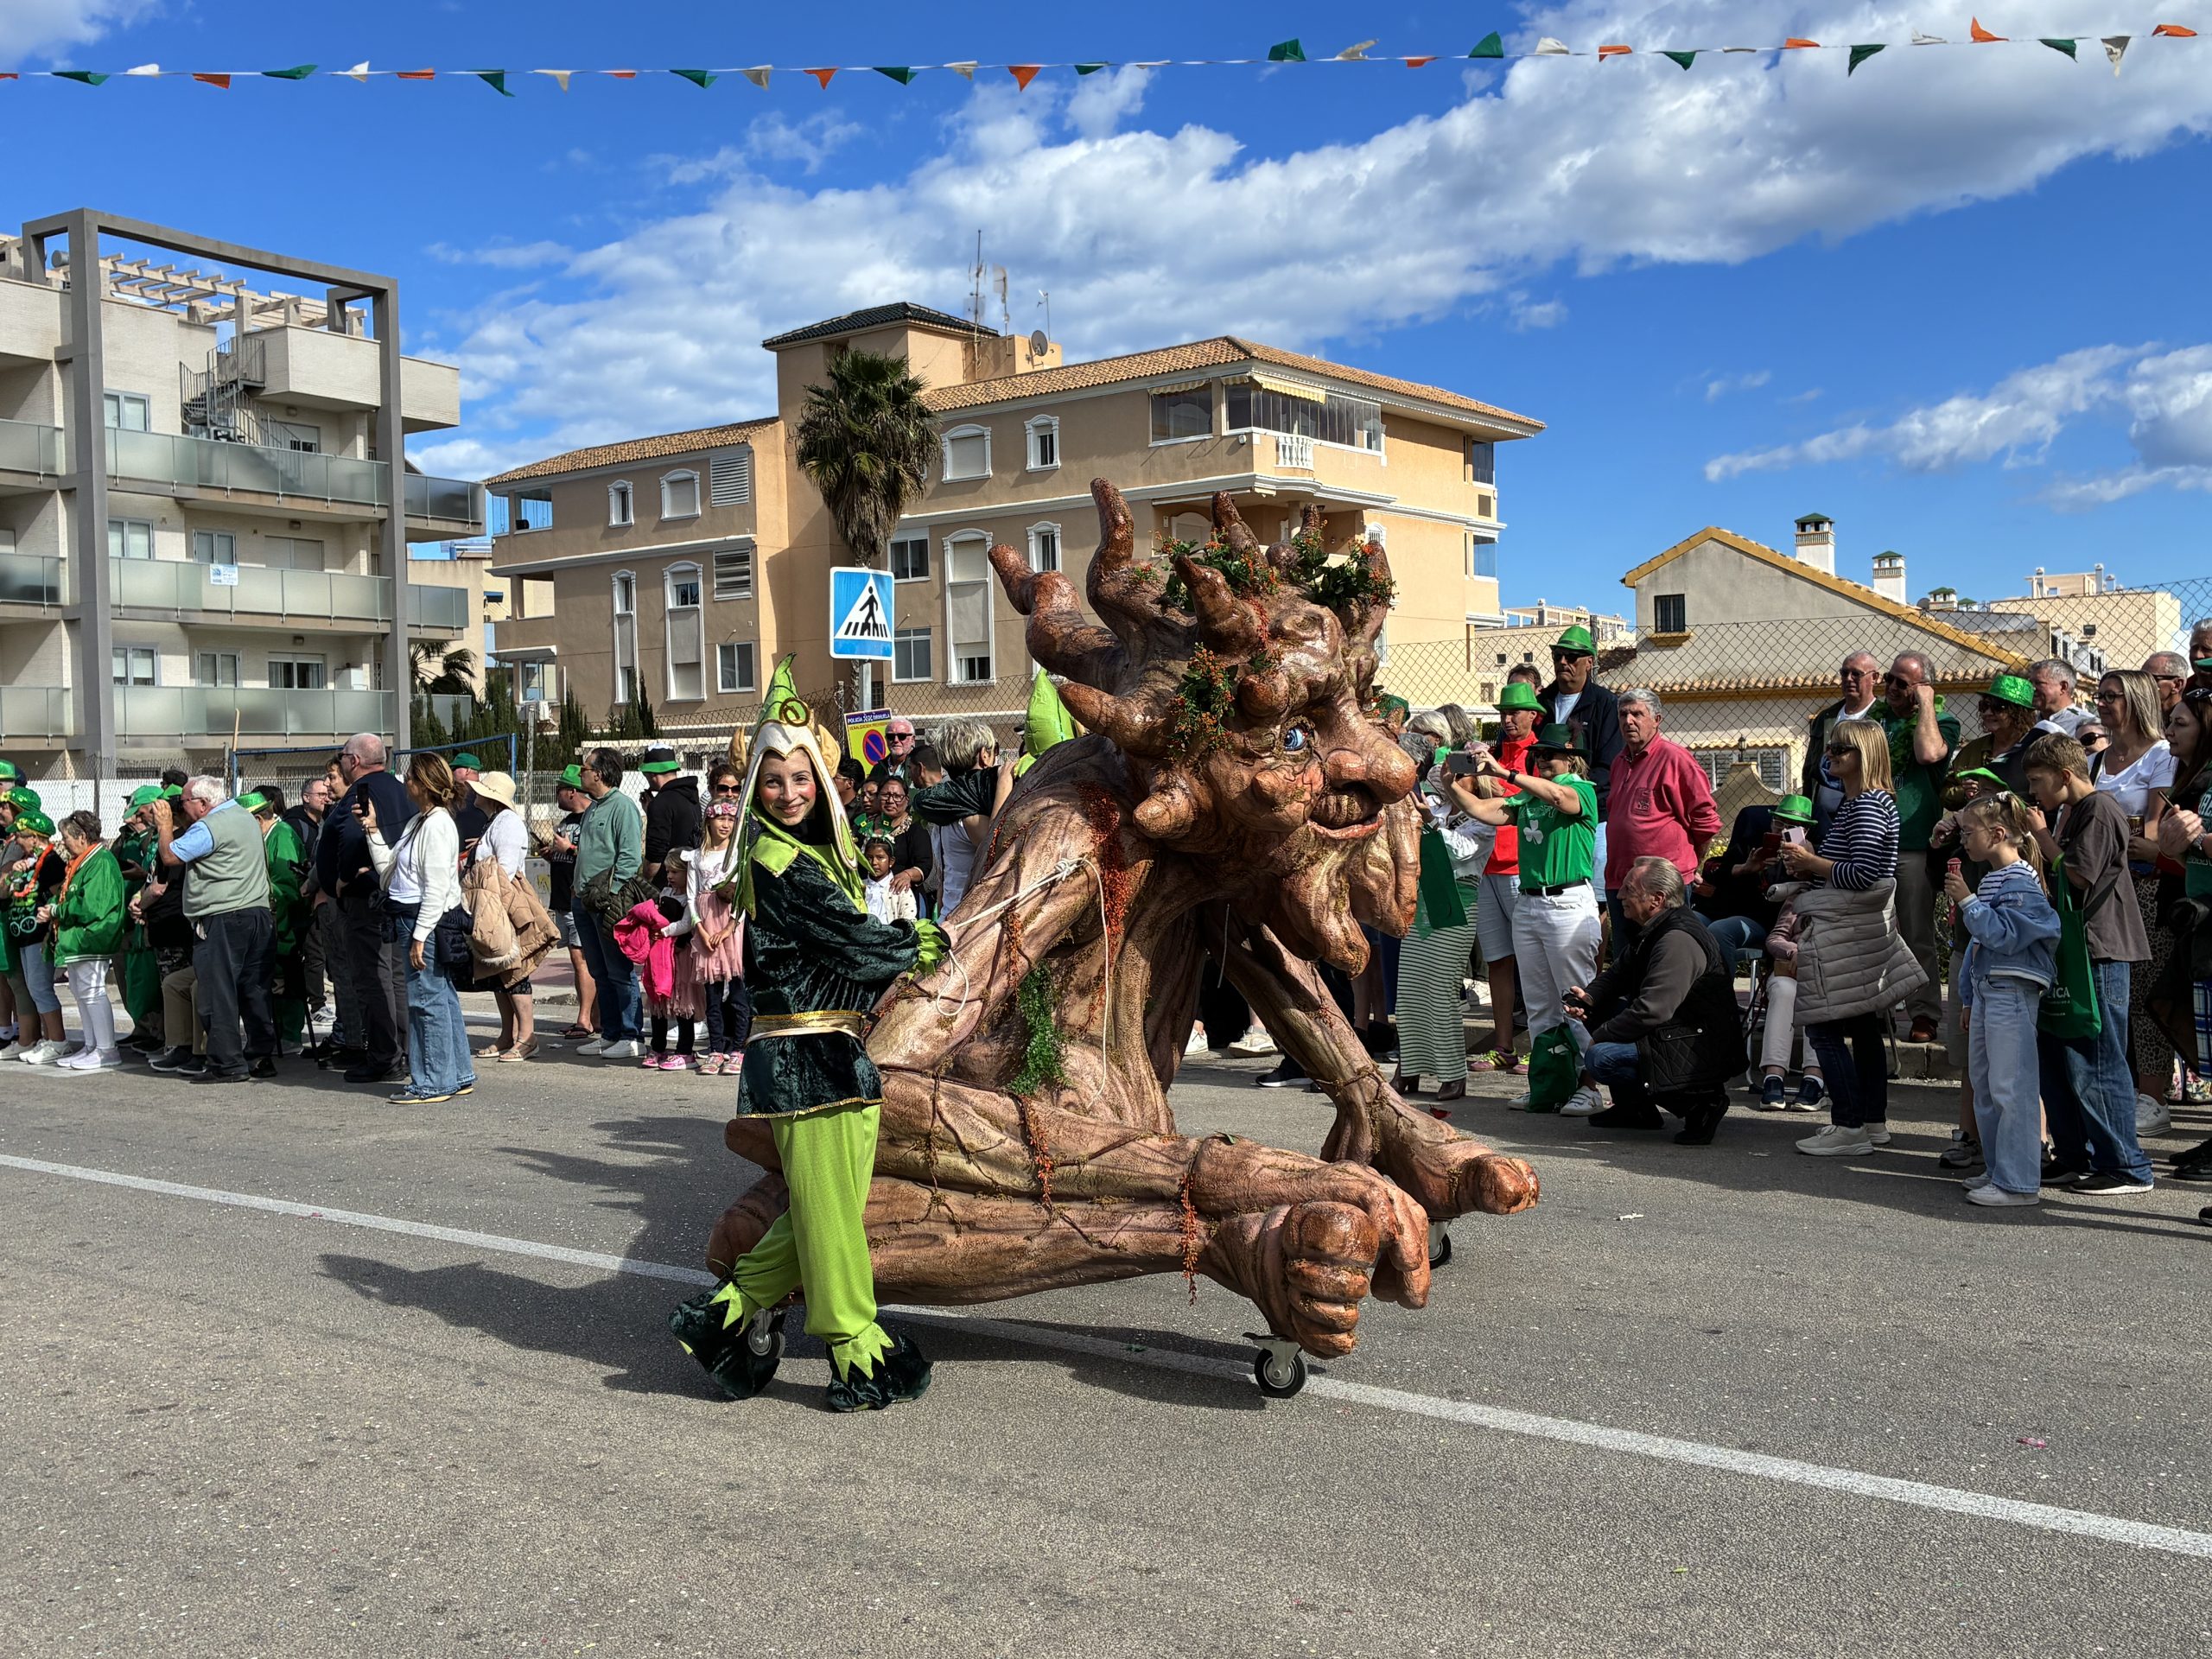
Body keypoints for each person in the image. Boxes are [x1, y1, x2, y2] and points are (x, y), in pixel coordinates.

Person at [667, 683, 946, 1412]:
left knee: (824, 1214)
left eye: (799, 778)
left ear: (819, 782)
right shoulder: (777, 861)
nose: (788, 792)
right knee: (827, 1217)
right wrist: (914, 942)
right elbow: (848, 942)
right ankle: (856, 1351)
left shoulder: (813, 853)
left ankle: (724, 1317)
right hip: (798, 1059)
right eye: (772, 780)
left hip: (837, 1052)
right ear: (755, 789)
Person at [1784, 719, 1925, 1157]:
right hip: (1860, 929)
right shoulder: (1869, 803)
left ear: (1865, 754)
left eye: (1842, 749)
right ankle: (1871, 1121)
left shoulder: (1865, 805)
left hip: (1848, 929)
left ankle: (1849, 1125)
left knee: (1824, 1028)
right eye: (1830, 749)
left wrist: (1812, 863)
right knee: (1862, 1024)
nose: (1831, 755)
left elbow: (1863, 874)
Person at [2024, 733, 2156, 1194]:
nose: (2034, 792)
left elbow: (2079, 876)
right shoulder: (2075, 811)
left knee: (2097, 1058)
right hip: (2077, 949)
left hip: (2100, 949)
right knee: (2062, 1055)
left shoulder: (2099, 809)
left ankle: (2126, 1166)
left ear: (2065, 775)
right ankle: (2076, 1155)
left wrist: (2041, 834)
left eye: (2038, 781)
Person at [1456, 722, 1603, 1113]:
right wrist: (1450, 782)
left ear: (1570, 759)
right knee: (1540, 1005)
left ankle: (1591, 1086)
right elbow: (1482, 810)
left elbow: (1560, 796)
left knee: (1577, 998)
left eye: (1548, 755)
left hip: (1567, 902)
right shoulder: (1527, 798)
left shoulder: (1581, 791)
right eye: (1537, 755)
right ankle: (1549, 1083)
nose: (1541, 761)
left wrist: (1504, 773)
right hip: (1531, 902)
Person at [1561, 857, 1744, 1144]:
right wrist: (1589, 998)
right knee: (1602, 1009)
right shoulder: (1654, 928)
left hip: (1697, 1045)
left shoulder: (1676, 940)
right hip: (1678, 1031)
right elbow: (1618, 974)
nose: (1620, 895)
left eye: (1629, 889)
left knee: (1601, 1056)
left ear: (1656, 899)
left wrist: (1601, 1035)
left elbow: (1651, 1011)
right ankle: (1635, 1111)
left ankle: (1700, 1104)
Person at [1944, 794, 2061, 1207]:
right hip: (1988, 990)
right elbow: (1980, 946)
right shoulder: (1995, 877)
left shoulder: (2019, 882)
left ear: (1997, 834)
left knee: (2012, 1086)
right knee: (1988, 1086)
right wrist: (1969, 1000)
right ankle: (1998, 1170)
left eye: (1969, 833)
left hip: (2011, 991)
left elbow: (2004, 938)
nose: (1964, 841)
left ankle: (2018, 1182)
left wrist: (1967, 900)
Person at [2087, 668, 2177, 1136]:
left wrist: (2117, 829)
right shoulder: (2098, 760)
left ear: (2136, 700)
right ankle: (2118, 1088)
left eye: (2112, 697)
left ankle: (2154, 1099)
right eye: (2099, 696)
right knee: (2111, 994)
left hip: (2144, 885)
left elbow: (2155, 832)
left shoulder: (2161, 756)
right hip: (2103, 884)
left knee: (2141, 994)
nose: (2101, 703)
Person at [365, 751, 471, 1105]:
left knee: (426, 1002)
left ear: (424, 784)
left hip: (424, 920)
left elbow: (437, 886)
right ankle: (456, 1073)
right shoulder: (419, 822)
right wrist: (373, 831)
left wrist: (421, 934)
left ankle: (434, 1081)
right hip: (413, 917)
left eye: (410, 777)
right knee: (440, 998)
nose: (405, 783)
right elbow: (391, 870)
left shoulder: (437, 824)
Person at [154, 778, 276, 1084]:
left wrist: (164, 825)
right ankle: (260, 1056)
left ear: (203, 804)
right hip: (257, 913)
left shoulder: (210, 826)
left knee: (217, 993)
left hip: (223, 917)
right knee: (254, 990)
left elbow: (170, 857)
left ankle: (227, 1063)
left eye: (183, 803)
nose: (180, 809)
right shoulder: (244, 818)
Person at [1395, 746, 1489, 1101]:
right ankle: (1410, 1068)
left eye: (1464, 773)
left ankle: (1453, 1074)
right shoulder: (1434, 806)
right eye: (1451, 772)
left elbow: (1462, 850)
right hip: (1421, 903)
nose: (1455, 778)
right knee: (1409, 990)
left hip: (1457, 903)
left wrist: (1432, 823)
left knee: (1440, 989)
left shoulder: (1484, 816)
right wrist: (1443, 777)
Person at [1875, 652, 1957, 1044]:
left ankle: (1923, 1012)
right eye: (1889, 679)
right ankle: (1875, 1011)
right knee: (1874, 929)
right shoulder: (1876, 721)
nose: (1891, 688)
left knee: (1915, 931)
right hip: (1873, 841)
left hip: (1913, 843)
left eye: (1902, 683)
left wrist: (1925, 703)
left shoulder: (1942, 722)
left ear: (1924, 688)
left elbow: (1928, 753)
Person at [324, 734, 415, 1084]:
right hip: (393, 897)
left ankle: (383, 1056)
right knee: (394, 977)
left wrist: (343, 879)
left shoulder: (360, 794)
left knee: (373, 979)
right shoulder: (399, 790)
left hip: (366, 901)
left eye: (344, 756)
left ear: (355, 761)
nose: (342, 761)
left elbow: (349, 838)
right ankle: (403, 1050)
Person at [1465, 681, 1540, 1076]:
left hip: (1519, 867)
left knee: (1531, 962)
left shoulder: (1542, 755)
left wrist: (1502, 784)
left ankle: (1539, 1046)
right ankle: (1504, 1047)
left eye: (1515, 713)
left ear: (1534, 715)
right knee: (1498, 961)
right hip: (1487, 865)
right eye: (1503, 713)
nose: (1508, 719)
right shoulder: (1490, 752)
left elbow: (1543, 797)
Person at [1602, 688, 1719, 938]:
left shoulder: (1676, 759)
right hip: (1621, 882)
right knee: (1628, 965)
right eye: (1623, 714)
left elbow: (1706, 822)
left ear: (1656, 720)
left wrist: (1689, 868)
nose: (1628, 721)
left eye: (1637, 714)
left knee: (1665, 958)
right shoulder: (1619, 762)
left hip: (1662, 886)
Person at [2154, 688, 2212, 1180]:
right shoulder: (2194, 778)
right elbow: (2176, 850)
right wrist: (2176, 841)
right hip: (2202, 920)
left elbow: (2199, 842)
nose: (2169, 732)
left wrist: (2201, 838)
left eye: (2181, 723)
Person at [1746, 797, 1827, 1111]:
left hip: (1826, 973)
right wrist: (1795, 949)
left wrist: (1811, 955)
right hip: (1794, 970)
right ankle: (1774, 1078)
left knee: (1817, 992)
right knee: (1782, 989)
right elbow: (1775, 938)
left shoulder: (1838, 896)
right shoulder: (1798, 897)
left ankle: (1814, 1079)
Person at [573, 747, 645, 1061]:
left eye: (584, 767)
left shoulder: (622, 807)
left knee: (619, 970)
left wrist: (610, 893)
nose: (580, 772)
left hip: (607, 904)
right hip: (583, 902)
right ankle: (610, 1033)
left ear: (599, 773)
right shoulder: (592, 808)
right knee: (599, 971)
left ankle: (632, 1035)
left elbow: (630, 858)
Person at [43, 811, 125, 1071]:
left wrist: (56, 911)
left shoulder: (100, 860)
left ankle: (106, 1049)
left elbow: (92, 905)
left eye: (66, 837)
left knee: (92, 991)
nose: (63, 842)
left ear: (81, 836)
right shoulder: (84, 861)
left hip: (94, 935)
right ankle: (92, 1046)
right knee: (80, 991)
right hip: (81, 937)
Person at [468, 771, 539, 1064]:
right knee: (498, 969)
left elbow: (506, 870)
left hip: (502, 903)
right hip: (492, 902)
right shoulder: (495, 822)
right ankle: (508, 1034)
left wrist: (491, 906)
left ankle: (527, 1036)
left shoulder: (507, 823)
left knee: (514, 968)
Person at [677, 796, 749, 1076]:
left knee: (737, 993)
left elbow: (742, 894)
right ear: (709, 820)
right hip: (706, 928)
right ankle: (716, 1048)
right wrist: (701, 929)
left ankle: (738, 1049)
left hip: (731, 929)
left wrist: (730, 927)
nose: (726, 824)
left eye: (731, 820)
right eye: (721, 819)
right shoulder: (697, 857)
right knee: (712, 995)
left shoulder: (736, 855)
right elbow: (692, 897)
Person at [245, 790, 311, 1050]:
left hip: (286, 923)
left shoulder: (280, 835)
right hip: (274, 920)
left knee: (286, 980)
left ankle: (290, 1034)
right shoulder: (267, 836)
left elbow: (287, 886)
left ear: (259, 820)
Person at [1537, 626, 1624, 818]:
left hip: (1591, 810)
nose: (1563, 662)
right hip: (1544, 805)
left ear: (1589, 662)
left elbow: (1608, 765)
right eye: (1557, 655)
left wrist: (1576, 796)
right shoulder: (1540, 703)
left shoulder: (1606, 704)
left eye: (1571, 657)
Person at [542, 765, 599, 1040]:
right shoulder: (567, 822)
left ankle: (585, 1019)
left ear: (572, 791)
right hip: (563, 900)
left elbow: (594, 857)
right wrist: (552, 855)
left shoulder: (591, 817)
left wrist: (570, 849)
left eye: (559, 790)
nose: (556, 795)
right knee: (580, 958)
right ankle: (595, 1017)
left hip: (581, 900)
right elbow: (567, 859)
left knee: (581, 959)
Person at [1800, 651, 1884, 830]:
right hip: (1820, 816)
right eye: (1844, 673)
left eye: (1856, 674)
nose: (1848, 679)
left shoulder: (1883, 718)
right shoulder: (1825, 717)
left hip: (1859, 814)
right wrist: (1806, 813)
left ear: (1875, 677)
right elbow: (1809, 770)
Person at [111, 786, 166, 1054]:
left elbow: (157, 876)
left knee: (147, 979)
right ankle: (141, 1027)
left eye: (138, 811)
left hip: (147, 917)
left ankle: (157, 1030)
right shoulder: (124, 840)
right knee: (127, 977)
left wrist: (140, 876)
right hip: (125, 918)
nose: (132, 817)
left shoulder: (157, 839)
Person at [639, 743, 702, 887]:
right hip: (690, 877)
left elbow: (655, 856)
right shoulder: (691, 796)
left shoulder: (661, 803)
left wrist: (645, 882)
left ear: (652, 774)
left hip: (668, 883)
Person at [870, 778, 933, 918]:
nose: (890, 800)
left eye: (897, 796)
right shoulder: (865, 825)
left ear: (906, 800)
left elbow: (925, 864)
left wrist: (908, 875)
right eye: (885, 795)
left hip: (902, 899)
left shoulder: (915, 828)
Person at [862, 836, 918, 924]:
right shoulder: (859, 886)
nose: (874, 862)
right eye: (869, 857)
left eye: (880, 857)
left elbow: (909, 921)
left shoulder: (901, 889)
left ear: (891, 861)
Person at [448, 751, 490, 867]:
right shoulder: (449, 794)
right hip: (453, 858)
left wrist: (485, 842)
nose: (452, 772)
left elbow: (498, 823)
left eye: (455, 768)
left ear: (467, 770)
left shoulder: (485, 795)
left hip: (478, 858)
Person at [2027, 658, 2087, 736]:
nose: (2032, 688)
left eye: (2038, 683)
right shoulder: (2025, 722)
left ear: (2063, 687)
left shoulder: (2086, 724)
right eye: (2030, 683)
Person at [868, 718, 918, 786]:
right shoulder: (878, 769)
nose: (896, 740)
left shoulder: (920, 766)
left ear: (912, 740)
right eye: (890, 736)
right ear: (886, 739)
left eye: (902, 736)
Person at [2145, 652, 2191, 719]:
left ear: (2177, 685)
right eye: (2141, 677)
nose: (2142, 683)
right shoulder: (2140, 715)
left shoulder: (2191, 719)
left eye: (2151, 679)